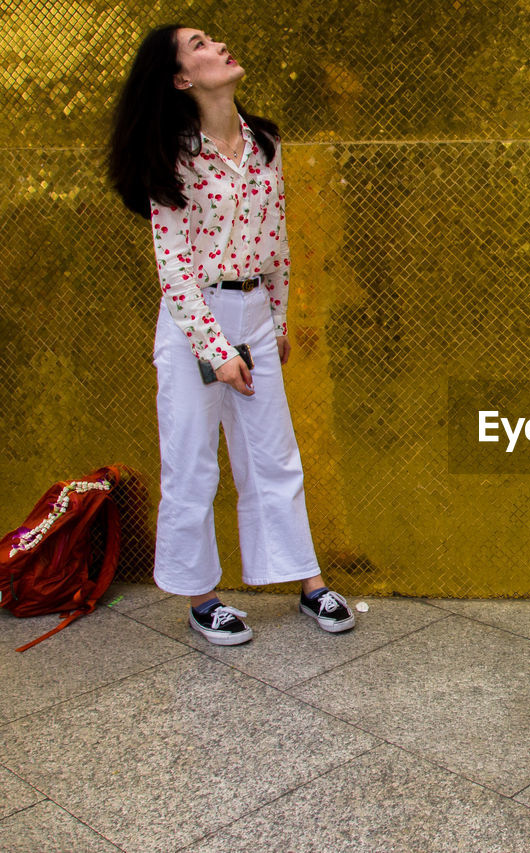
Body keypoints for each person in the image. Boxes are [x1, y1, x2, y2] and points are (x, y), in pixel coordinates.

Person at [107, 25, 354, 645]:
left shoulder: (265, 142)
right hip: (196, 322)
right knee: (191, 464)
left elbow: (277, 245)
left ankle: (307, 581)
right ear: (181, 79)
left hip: (252, 314)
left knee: (274, 456)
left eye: (214, 40)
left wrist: (274, 323)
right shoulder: (173, 155)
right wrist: (217, 353)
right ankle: (201, 598)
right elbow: (175, 270)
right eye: (198, 45)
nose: (218, 46)